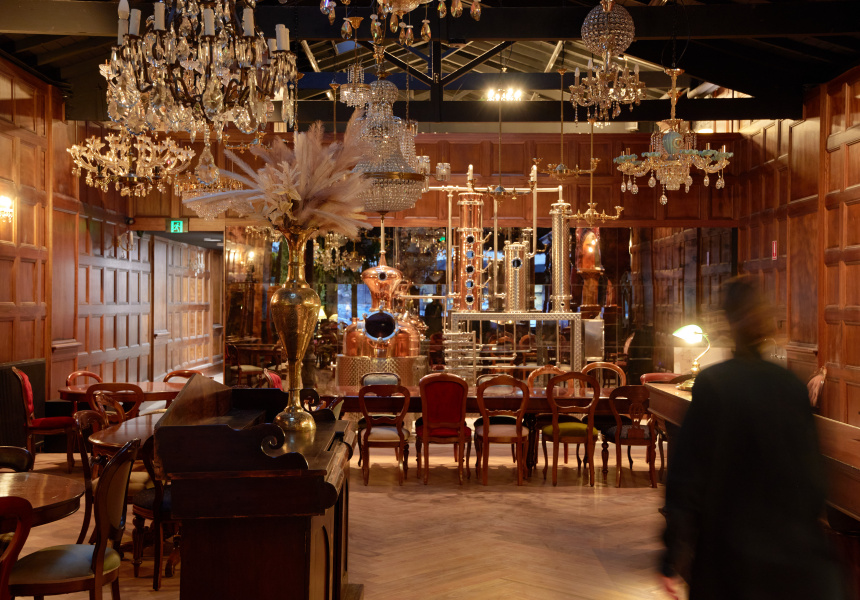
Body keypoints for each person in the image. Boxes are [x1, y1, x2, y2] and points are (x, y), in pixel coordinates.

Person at [660, 277, 846, 600]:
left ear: (728, 324)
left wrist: (671, 557)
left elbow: (686, 478)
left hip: (728, 562)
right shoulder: (790, 386)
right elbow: (814, 481)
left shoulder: (713, 385)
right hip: (789, 561)